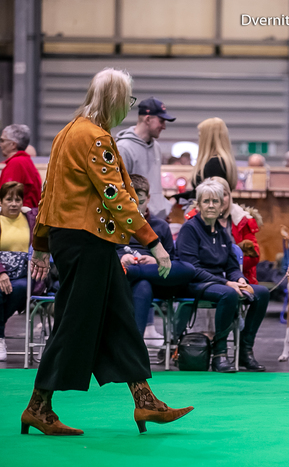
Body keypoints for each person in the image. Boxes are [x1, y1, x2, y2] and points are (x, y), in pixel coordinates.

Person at [22, 68, 193, 436]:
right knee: (74, 323)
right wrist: (153, 242)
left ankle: (145, 402)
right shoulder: (95, 138)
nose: (127, 108)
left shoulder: (68, 132)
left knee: (118, 319)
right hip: (88, 241)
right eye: (127, 100)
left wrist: (40, 243)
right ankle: (38, 407)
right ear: (116, 100)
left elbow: (50, 193)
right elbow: (115, 195)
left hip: (76, 241)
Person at [176, 179, 269, 372]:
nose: (211, 205)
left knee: (262, 293)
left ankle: (245, 351)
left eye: (215, 201)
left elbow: (232, 266)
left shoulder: (222, 232)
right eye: (206, 201)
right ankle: (220, 353)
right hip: (194, 282)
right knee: (229, 294)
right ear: (199, 204)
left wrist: (239, 279)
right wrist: (227, 282)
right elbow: (191, 268)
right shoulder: (189, 229)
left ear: (221, 206)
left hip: (219, 283)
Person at [117, 174, 195, 342]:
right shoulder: (113, 224)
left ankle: (134, 272)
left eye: (141, 200)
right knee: (143, 285)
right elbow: (106, 254)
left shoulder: (161, 226)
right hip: (123, 280)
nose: (136, 205)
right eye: (130, 200)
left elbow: (171, 261)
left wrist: (155, 261)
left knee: (188, 269)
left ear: (148, 198)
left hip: (154, 276)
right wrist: (122, 259)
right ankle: (135, 347)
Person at [115, 97, 176, 219]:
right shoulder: (124, 148)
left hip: (157, 220)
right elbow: (119, 191)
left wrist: (163, 208)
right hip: (136, 221)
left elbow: (154, 185)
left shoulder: (156, 147)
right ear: (148, 119)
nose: (164, 126)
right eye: (161, 121)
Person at [0, 182, 36, 361]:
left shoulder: (31, 218)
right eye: (9, 199)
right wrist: (1, 273)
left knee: (22, 288)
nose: (14, 203)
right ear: (1, 202)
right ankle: (0, 340)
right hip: (1, 274)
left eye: (18, 199)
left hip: (24, 277)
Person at [0, 124, 42, 208]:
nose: (0, 144)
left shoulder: (16, 164)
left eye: (2, 140)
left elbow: (7, 196)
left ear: (13, 145)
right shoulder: (26, 161)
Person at [191, 117, 238, 191]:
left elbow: (207, 194)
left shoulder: (214, 164)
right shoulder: (222, 161)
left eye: (200, 136)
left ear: (206, 138)